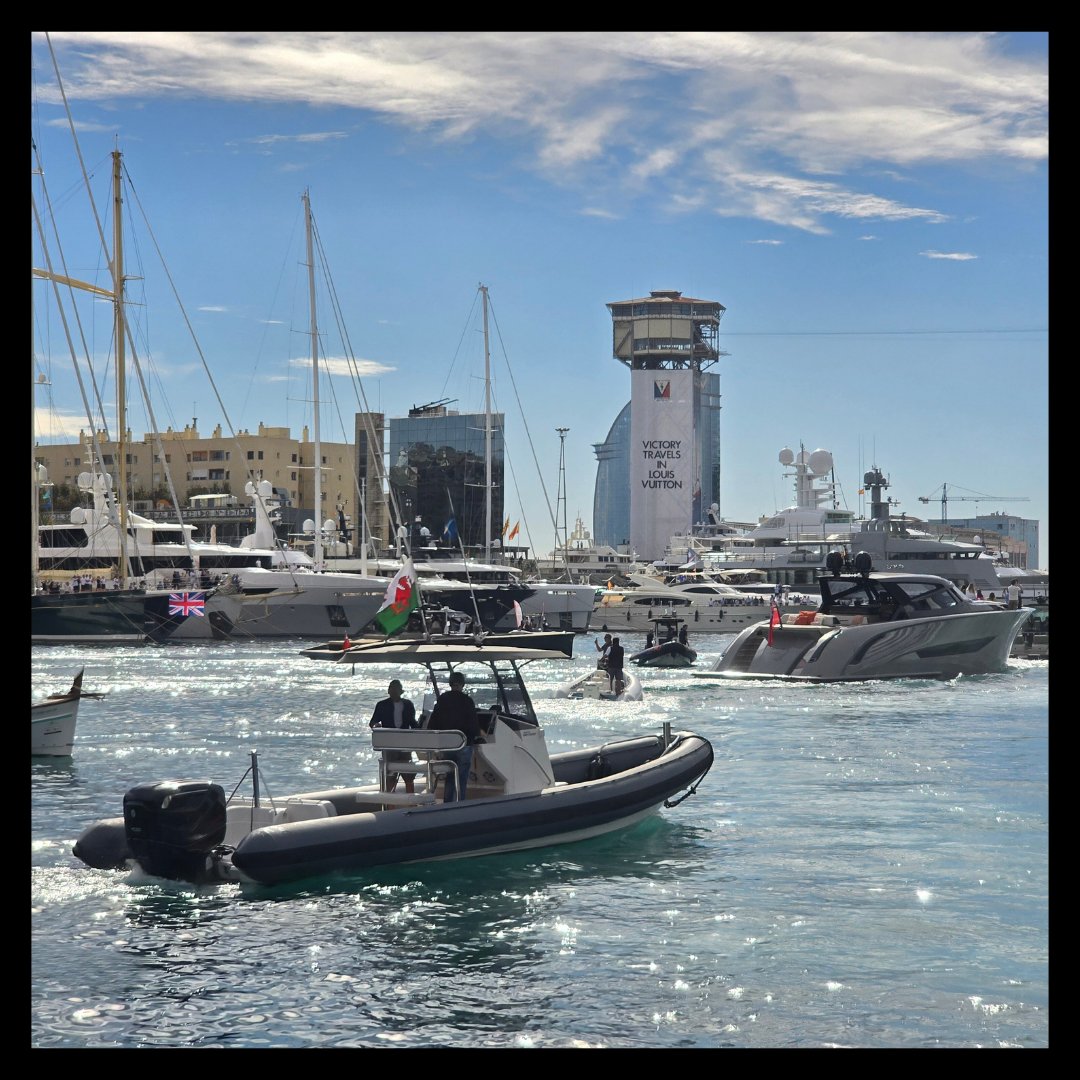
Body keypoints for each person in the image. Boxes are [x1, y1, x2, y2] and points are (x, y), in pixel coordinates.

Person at [427, 670, 486, 802]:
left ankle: (448, 803)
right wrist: (479, 734)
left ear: (450, 683)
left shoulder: (442, 699)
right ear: (463, 684)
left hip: (447, 745)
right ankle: (460, 803)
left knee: (450, 776)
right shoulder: (467, 701)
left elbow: (433, 723)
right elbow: (472, 724)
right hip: (463, 745)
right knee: (461, 777)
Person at [368, 679, 419, 793]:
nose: (394, 692)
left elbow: (412, 722)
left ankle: (411, 800)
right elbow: (373, 721)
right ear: (389, 691)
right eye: (392, 689)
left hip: (405, 742)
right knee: (390, 773)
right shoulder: (382, 705)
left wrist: (421, 728)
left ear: (401, 691)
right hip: (389, 742)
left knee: (408, 774)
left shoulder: (408, 704)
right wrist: (376, 725)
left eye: (396, 689)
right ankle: (390, 802)